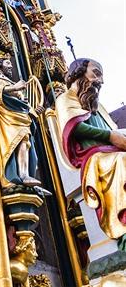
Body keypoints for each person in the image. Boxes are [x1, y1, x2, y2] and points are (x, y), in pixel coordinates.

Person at [56, 58, 126, 247]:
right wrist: (111, 137)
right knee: (122, 161)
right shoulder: (65, 99)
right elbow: (75, 127)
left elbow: (115, 131)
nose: (100, 81)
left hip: (109, 151)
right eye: (96, 73)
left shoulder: (97, 106)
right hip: (91, 155)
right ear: (79, 73)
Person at [0, 52, 41, 187]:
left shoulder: (8, 80)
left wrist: (28, 105)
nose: (11, 67)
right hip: (8, 118)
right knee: (16, 141)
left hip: (20, 115)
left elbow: (20, 98)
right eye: (7, 63)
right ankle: (18, 175)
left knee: (25, 141)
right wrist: (15, 87)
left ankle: (25, 174)